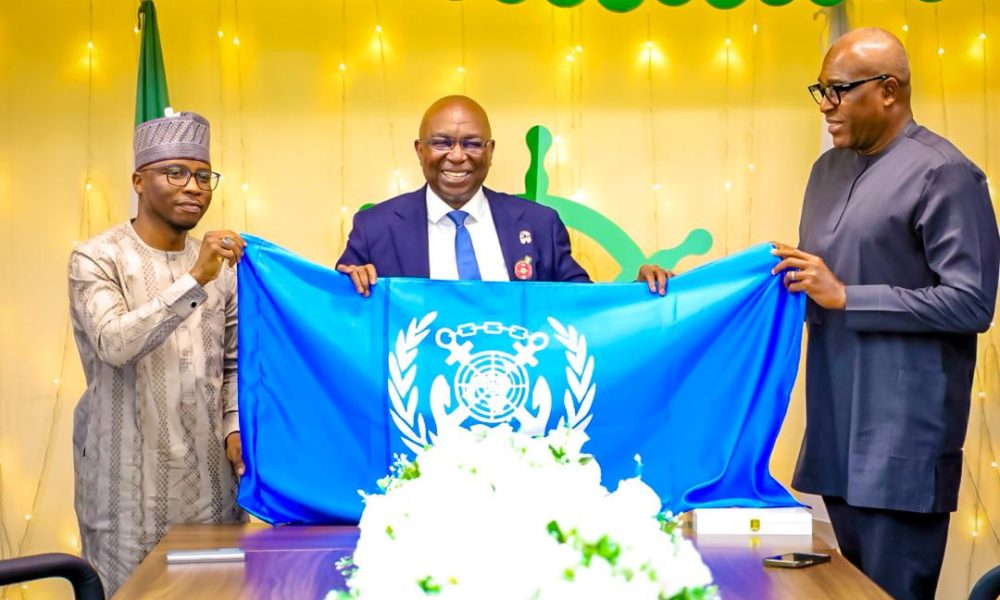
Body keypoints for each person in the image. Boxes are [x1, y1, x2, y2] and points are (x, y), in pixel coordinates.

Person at [773, 28, 999, 600]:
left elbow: (971, 301)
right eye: (820, 91)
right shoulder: (825, 173)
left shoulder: (946, 174)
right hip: (835, 437)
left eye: (838, 90)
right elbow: (819, 283)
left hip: (901, 447)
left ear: (889, 90)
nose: (826, 106)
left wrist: (848, 296)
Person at [68, 111, 248, 594]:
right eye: (175, 172)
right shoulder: (96, 258)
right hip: (125, 492)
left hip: (210, 487)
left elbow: (234, 363)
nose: (194, 187)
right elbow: (114, 343)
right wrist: (196, 278)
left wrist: (234, 427)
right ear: (139, 182)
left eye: (203, 176)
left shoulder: (224, 266)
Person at [337, 95, 671, 292]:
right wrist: (349, 287)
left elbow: (581, 309)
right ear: (420, 150)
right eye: (442, 142)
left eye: (472, 143)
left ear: (490, 151)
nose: (457, 156)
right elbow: (339, 317)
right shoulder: (374, 227)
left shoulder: (540, 223)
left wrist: (638, 296)